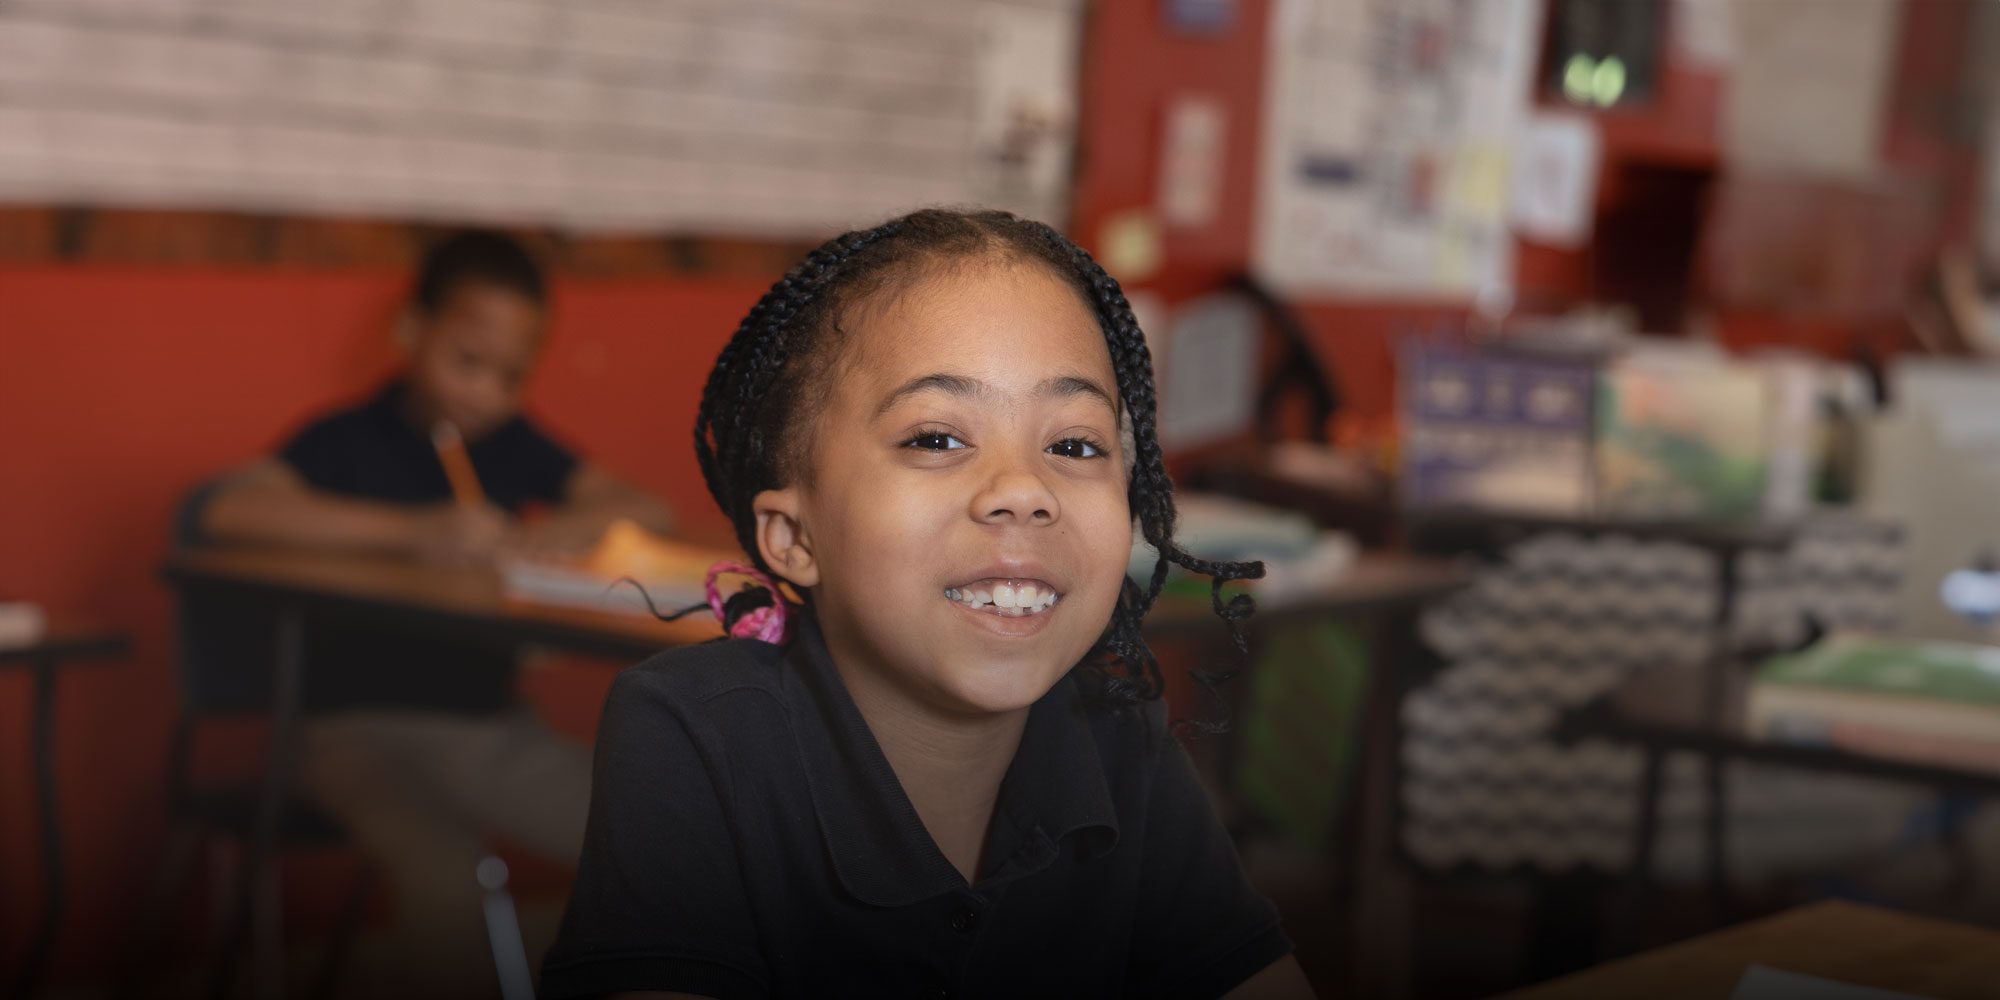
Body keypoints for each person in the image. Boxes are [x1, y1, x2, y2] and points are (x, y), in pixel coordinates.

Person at [540, 209, 1315, 999]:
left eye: (1075, 445)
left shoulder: (1119, 737)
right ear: (794, 538)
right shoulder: (695, 734)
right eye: (936, 438)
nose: (1024, 490)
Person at [200, 229, 673, 997]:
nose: (485, 392)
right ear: (410, 333)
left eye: (511, 375)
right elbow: (229, 511)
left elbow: (641, 506)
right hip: (353, 735)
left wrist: (538, 534)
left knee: (660, 835)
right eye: (467, 361)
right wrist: (416, 533)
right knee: (444, 879)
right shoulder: (346, 439)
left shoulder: (512, 445)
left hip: (492, 731)